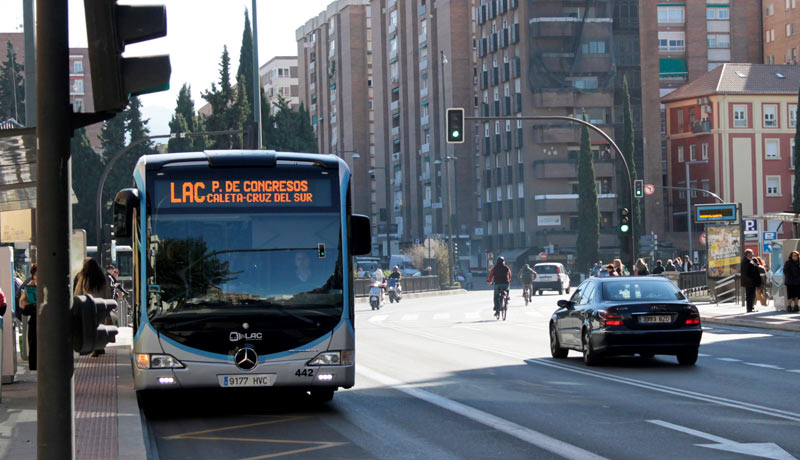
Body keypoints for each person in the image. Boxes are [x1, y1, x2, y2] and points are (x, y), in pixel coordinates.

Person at [18, 264, 37, 370]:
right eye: (35, 275)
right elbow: (23, 308)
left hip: (48, 324)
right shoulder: (29, 287)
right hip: (34, 322)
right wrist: (32, 306)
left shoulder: (52, 286)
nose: (37, 277)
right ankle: (34, 367)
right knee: (34, 345)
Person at [740, 249, 762, 313]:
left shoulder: (750, 260)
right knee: (750, 295)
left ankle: (751, 307)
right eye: (751, 253)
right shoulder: (745, 261)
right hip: (749, 282)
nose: (753, 254)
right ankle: (749, 308)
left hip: (752, 281)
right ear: (748, 254)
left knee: (752, 295)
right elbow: (746, 272)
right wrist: (750, 280)